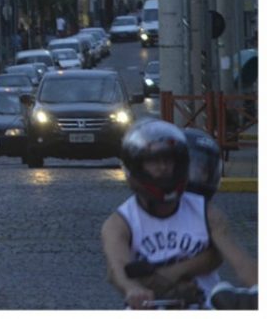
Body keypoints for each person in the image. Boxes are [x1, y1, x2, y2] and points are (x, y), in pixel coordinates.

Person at [101, 120, 258, 309]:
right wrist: (132, 289)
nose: (163, 167)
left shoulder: (206, 212)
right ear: (136, 167)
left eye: (169, 160)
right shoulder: (120, 222)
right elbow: (117, 266)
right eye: (153, 161)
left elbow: (240, 261)